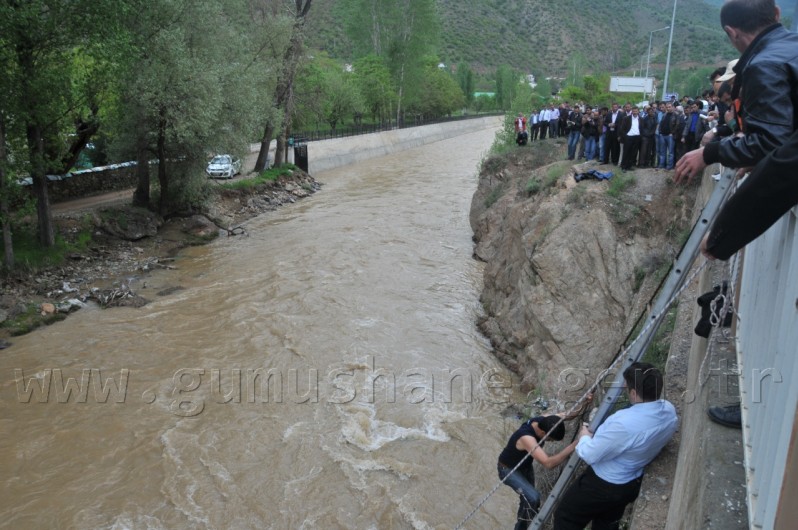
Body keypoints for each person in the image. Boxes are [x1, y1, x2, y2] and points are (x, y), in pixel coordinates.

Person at [674, 0, 798, 184]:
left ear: (731, 32)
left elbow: (771, 141)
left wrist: (708, 153)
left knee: (737, 212)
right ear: (777, 13)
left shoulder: (763, 65)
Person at [553, 363, 678, 530]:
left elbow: (589, 454)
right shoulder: (669, 411)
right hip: (629, 484)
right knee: (607, 524)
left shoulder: (623, 423)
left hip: (604, 483)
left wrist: (584, 435)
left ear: (634, 393)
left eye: (628, 389)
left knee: (566, 516)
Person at [499, 398, 592, 530]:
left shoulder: (546, 420)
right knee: (533, 498)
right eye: (550, 439)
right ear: (543, 433)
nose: (551, 442)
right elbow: (548, 463)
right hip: (508, 470)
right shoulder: (526, 438)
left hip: (524, 467)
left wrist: (585, 402)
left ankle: (525, 524)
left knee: (527, 500)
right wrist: (576, 444)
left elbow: (569, 414)